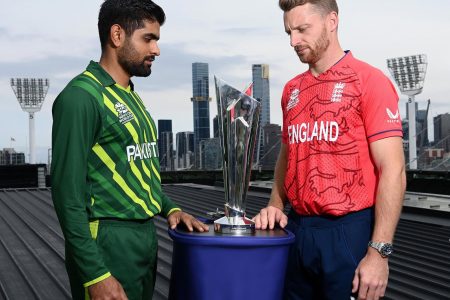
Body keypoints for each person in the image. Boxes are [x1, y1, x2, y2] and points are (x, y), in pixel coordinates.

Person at [51, 1, 209, 299]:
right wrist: (95, 273)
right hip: (108, 241)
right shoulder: (81, 98)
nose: (156, 50)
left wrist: (170, 208)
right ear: (117, 35)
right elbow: (66, 195)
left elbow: (136, 173)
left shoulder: (130, 96)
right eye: (148, 39)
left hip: (145, 237)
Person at [253, 1, 406, 299]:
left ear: (331, 21)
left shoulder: (369, 80)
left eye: (302, 29)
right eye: (288, 32)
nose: (293, 41)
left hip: (348, 231)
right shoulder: (292, 89)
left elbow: (394, 170)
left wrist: (379, 253)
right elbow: (289, 154)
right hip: (297, 229)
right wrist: (274, 203)